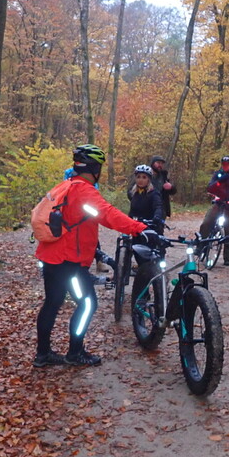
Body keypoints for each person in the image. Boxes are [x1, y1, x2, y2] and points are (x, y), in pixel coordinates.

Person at [34, 144, 150, 368]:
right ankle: (75, 352)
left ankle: (43, 354)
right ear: (95, 168)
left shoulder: (66, 185)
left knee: (52, 303)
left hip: (51, 256)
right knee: (87, 303)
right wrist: (139, 228)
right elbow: (107, 214)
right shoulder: (84, 191)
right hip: (68, 261)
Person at [128, 164, 165, 234]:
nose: (140, 180)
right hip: (137, 228)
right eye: (138, 177)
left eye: (144, 177)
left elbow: (158, 207)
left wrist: (157, 217)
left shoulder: (154, 194)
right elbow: (132, 212)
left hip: (151, 229)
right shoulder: (134, 194)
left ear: (149, 179)